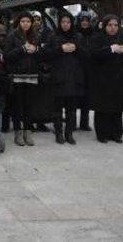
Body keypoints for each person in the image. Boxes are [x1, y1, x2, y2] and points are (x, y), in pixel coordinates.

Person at [89, 15, 123, 143]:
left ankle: (116, 134)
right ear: (105, 26)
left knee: (118, 108)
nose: (113, 28)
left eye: (116, 25)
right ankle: (102, 134)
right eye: (110, 25)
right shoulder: (97, 38)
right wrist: (111, 49)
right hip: (102, 79)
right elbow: (93, 55)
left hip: (119, 79)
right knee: (102, 108)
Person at [44, 12, 87, 145]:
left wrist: (76, 48)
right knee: (57, 109)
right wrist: (60, 48)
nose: (65, 24)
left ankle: (69, 133)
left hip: (74, 78)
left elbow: (86, 55)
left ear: (72, 23)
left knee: (71, 109)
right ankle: (58, 133)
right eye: (63, 22)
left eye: (68, 22)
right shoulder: (53, 36)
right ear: (59, 23)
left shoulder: (78, 36)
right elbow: (46, 54)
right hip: (58, 77)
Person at [4, 11, 41, 147]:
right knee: (17, 105)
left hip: (32, 75)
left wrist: (36, 50)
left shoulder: (36, 36)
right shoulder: (12, 35)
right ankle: (18, 132)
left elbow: (42, 55)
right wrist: (22, 49)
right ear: (18, 22)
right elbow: (7, 56)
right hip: (17, 75)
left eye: (28, 21)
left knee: (29, 105)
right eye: (23, 21)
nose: (26, 24)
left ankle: (28, 131)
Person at [76, 11, 95, 131]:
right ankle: (72, 122)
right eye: (82, 20)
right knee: (74, 96)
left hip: (89, 69)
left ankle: (84, 123)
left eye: (87, 20)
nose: (84, 22)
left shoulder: (93, 34)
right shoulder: (75, 34)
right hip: (77, 68)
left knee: (87, 98)